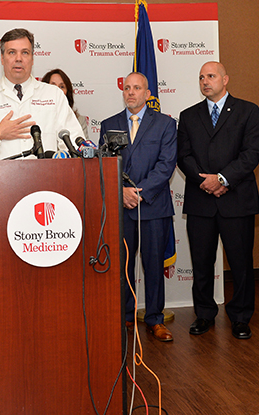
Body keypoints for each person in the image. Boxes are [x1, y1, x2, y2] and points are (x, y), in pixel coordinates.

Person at [177, 61, 259, 340]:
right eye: (201, 77)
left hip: (236, 199)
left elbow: (252, 153)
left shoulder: (248, 111)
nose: (205, 81)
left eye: (211, 76)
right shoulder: (188, 116)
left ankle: (240, 317)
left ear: (225, 79)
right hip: (201, 200)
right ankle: (204, 314)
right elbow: (183, 156)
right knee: (201, 263)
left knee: (240, 263)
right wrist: (207, 182)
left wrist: (223, 179)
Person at [99, 72, 177, 342]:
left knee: (154, 265)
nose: (131, 92)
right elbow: (104, 165)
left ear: (148, 93)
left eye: (137, 88)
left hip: (153, 206)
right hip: (121, 207)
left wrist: (138, 193)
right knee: (123, 266)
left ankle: (155, 319)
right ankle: (125, 316)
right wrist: (121, 192)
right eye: (127, 88)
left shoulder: (166, 124)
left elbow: (166, 165)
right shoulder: (109, 124)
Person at [0, 28, 84, 161]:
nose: (18, 58)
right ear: (2, 58)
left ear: (32, 59)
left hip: (46, 180)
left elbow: (75, 145)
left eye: (25, 53)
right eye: (12, 52)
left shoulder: (54, 95)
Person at [41, 68, 90, 139]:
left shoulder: (79, 120)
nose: (57, 90)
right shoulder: (36, 117)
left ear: (67, 92)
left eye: (62, 87)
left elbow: (84, 149)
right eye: (53, 86)